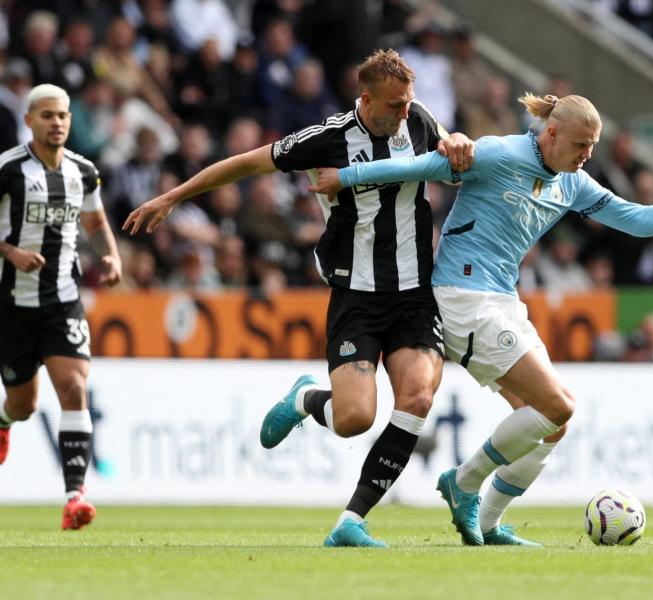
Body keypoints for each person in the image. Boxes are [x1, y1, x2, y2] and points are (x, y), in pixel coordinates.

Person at [309, 92, 653, 545]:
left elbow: (635, 218)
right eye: (581, 145)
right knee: (559, 404)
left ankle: (489, 523)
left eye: (593, 146)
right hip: (462, 298)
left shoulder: (573, 183)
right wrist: (347, 175)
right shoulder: (500, 154)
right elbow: (418, 167)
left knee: (553, 424)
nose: (587, 155)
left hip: (502, 301)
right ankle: (462, 483)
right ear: (552, 133)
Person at [123, 49, 474, 548]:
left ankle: (352, 520)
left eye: (408, 104)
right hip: (356, 295)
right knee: (354, 419)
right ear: (366, 98)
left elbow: (450, 145)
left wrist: (457, 140)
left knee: (417, 395)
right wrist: (173, 196)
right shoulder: (328, 138)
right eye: (394, 105)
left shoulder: (415, 118)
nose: (404, 113)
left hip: (416, 292)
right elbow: (245, 164)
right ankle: (307, 399)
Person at [0, 84, 122, 529]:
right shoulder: (8, 170)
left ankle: (75, 498)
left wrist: (110, 254)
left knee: (73, 388)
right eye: (48, 115)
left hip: (62, 300)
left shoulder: (83, 172)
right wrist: (11, 253)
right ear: (29, 120)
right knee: (24, 404)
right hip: (12, 303)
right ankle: (3, 420)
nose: (57, 123)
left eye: (63, 115)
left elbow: (95, 219)